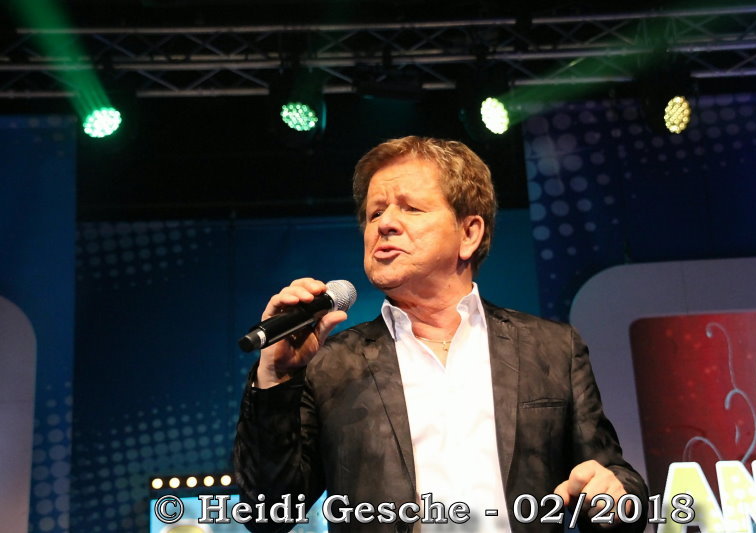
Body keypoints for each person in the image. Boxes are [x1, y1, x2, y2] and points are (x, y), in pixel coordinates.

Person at [234, 136, 648, 533]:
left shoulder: (552, 349)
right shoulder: (331, 363)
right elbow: (267, 514)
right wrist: (275, 379)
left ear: (469, 233)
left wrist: (614, 496)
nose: (385, 224)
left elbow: (615, 480)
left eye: (410, 208)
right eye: (375, 213)